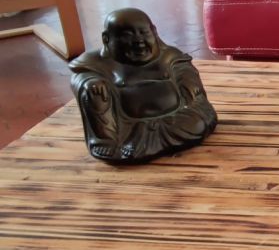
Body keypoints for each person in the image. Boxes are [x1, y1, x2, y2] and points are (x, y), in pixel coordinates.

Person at [70, 8, 217, 162]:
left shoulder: (168, 56)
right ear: (106, 39)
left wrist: (188, 82)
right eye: (127, 35)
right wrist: (91, 83)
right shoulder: (97, 64)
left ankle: (140, 145)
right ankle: (108, 141)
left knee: (197, 122)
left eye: (144, 33)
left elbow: (184, 70)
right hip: (132, 128)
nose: (138, 40)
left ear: (154, 32)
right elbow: (80, 77)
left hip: (177, 121)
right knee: (94, 92)